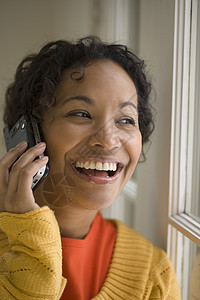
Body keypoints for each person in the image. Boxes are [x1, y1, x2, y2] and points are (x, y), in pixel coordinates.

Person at [0, 36, 181, 299]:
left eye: (126, 120)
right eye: (81, 114)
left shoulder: (152, 272)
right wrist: (30, 241)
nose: (108, 140)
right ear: (30, 135)